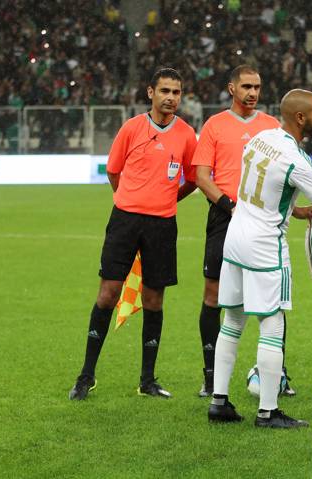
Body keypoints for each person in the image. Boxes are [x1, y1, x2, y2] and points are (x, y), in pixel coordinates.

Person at [207, 89, 312, 428]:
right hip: (265, 246)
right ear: (300, 118)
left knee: (232, 321)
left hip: (236, 237)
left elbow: (261, 192)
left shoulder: (262, 137)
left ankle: (218, 402)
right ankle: (268, 412)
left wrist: (295, 210)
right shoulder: (296, 160)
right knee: (273, 324)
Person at [68, 68, 198, 400]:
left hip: (162, 225)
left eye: (176, 92)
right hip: (125, 220)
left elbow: (194, 179)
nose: (171, 97)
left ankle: (147, 380)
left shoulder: (186, 134)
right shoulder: (132, 128)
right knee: (108, 294)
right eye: (165, 90)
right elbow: (114, 171)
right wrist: (128, 200)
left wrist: (168, 199)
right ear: (150, 92)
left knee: (154, 300)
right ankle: (86, 376)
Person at [193, 65, 300, 398]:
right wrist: (230, 205)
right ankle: (211, 376)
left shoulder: (270, 126)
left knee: (272, 300)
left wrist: (298, 210)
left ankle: (275, 373)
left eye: (257, 87)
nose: (253, 93)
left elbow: (282, 180)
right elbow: (201, 176)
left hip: (264, 222)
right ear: (231, 88)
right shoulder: (214, 125)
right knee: (215, 296)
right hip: (226, 217)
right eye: (247, 87)